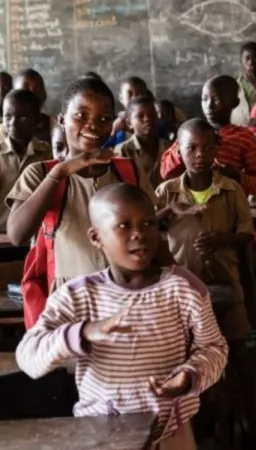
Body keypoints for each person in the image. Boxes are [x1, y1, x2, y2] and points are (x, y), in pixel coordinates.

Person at [16, 183, 228, 449]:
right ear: (96, 238)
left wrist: (190, 375)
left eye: (148, 223)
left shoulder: (183, 287)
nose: (139, 234)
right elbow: (28, 357)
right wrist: (82, 333)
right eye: (124, 226)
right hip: (102, 434)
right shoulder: (78, 295)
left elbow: (214, 348)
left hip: (171, 433)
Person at [156, 118, 256, 446]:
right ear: (179, 151)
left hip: (227, 286)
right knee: (187, 356)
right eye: (191, 148)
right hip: (181, 292)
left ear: (216, 151)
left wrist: (222, 239)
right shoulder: (166, 192)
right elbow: (148, 229)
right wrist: (165, 214)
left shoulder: (231, 190)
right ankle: (199, 419)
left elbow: (247, 234)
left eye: (206, 148)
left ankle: (248, 416)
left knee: (239, 352)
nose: (199, 155)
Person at [5, 77, 161, 288]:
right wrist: (60, 171)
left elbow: (152, 232)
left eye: (104, 118)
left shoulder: (128, 170)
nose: (93, 125)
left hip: (127, 292)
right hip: (69, 296)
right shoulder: (41, 173)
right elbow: (17, 235)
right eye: (81, 116)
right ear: (61, 120)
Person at [160, 75, 256, 197]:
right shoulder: (190, 133)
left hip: (228, 208)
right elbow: (165, 172)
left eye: (216, 100)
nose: (209, 106)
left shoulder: (244, 137)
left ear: (234, 102)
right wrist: (185, 148)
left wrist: (237, 176)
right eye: (204, 99)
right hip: (189, 205)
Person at [0, 90, 51, 232]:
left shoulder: (46, 153)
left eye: (22, 117)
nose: (13, 123)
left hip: (32, 237)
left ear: (37, 120)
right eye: (8, 116)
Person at [114, 95, 169, 187]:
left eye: (152, 114)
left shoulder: (168, 147)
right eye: (140, 116)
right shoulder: (123, 150)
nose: (147, 119)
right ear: (129, 123)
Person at [232, 41, 256, 126]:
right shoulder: (233, 85)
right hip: (238, 132)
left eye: (255, 58)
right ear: (241, 61)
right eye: (247, 58)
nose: (251, 62)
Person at [13, 69, 54, 143]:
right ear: (12, 96)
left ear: (44, 94)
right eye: (25, 90)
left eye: (37, 89)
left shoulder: (56, 127)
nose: (32, 94)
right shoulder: (3, 132)